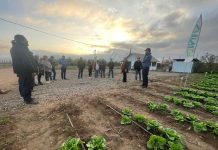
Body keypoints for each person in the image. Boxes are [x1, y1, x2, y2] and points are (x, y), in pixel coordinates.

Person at [10, 35, 38, 104]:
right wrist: (32, 70)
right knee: (27, 83)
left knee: (23, 83)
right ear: (21, 40)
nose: (27, 41)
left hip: (21, 69)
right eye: (25, 39)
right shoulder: (21, 48)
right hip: (25, 69)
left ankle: (26, 97)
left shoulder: (15, 48)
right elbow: (26, 60)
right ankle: (28, 99)